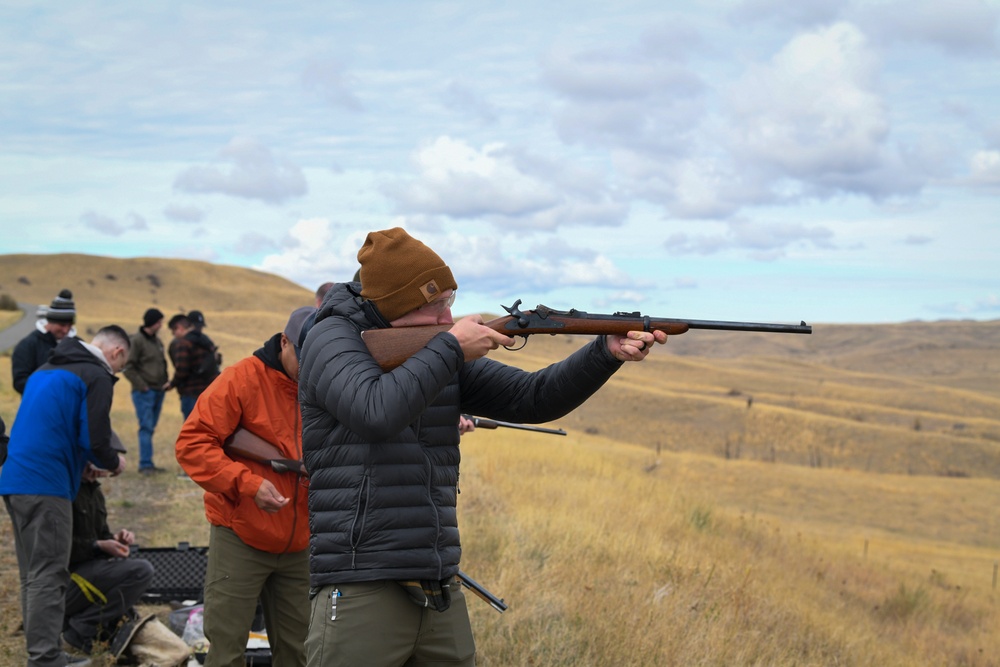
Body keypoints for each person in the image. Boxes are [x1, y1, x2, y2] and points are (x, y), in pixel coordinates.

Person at [297, 228, 665, 666]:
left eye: (449, 303)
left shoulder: (434, 350)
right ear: (394, 306)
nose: (445, 318)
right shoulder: (331, 339)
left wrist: (603, 353)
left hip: (436, 576)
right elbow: (376, 411)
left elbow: (532, 397)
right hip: (361, 580)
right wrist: (451, 348)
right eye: (434, 307)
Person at [175, 306, 316, 667]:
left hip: (302, 541)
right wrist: (249, 485)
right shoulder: (241, 379)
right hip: (241, 535)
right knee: (226, 650)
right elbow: (192, 444)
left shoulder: (326, 384)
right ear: (285, 342)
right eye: (304, 356)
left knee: (301, 651)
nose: (312, 367)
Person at [0, 325, 130, 667]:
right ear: (116, 354)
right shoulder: (96, 374)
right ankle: (45, 658)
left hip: (16, 480)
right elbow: (96, 437)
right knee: (48, 574)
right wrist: (113, 463)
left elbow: (58, 428)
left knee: (33, 574)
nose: (116, 373)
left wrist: (84, 463)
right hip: (47, 485)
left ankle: (44, 649)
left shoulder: (48, 367)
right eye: (121, 366)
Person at [64, 454, 155, 655]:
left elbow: (101, 536)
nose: (97, 473)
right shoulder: (65, 490)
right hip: (68, 580)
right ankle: (81, 628)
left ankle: (86, 625)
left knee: (135, 573)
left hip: (90, 571)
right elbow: (60, 547)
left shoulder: (94, 492)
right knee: (142, 571)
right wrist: (98, 546)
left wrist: (117, 539)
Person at [122, 308, 170, 474]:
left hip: (158, 390)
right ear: (152, 322)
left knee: (150, 427)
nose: (161, 325)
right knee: (146, 427)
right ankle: (145, 464)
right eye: (159, 322)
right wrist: (142, 385)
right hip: (144, 392)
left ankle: (148, 462)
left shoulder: (157, 342)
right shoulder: (137, 341)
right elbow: (128, 367)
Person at [11, 288, 79, 394]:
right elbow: (20, 382)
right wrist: (51, 391)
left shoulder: (79, 346)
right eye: (62, 325)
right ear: (50, 321)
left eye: (69, 325)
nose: (65, 330)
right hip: (38, 408)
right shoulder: (28, 345)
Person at [167, 314, 220, 420]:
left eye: (174, 331)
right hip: (209, 391)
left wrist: (172, 384)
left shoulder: (183, 343)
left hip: (191, 392)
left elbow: (182, 370)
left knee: (191, 431)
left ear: (180, 327)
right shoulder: (205, 340)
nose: (174, 335)